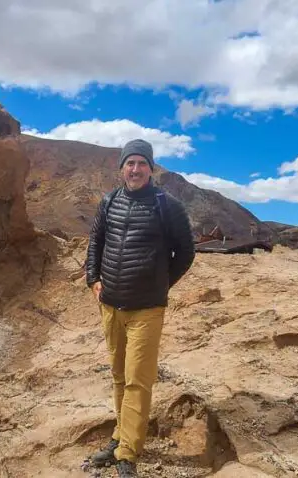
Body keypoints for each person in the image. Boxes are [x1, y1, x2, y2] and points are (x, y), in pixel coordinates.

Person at [83, 138, 196, 477]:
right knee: (119, 376)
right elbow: (95, 242)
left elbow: (186, 253)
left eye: (141, 163)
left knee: (138, 379)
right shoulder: (108, 202)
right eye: (129, 163)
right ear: (122, 168)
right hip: (112, 305)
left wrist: (161, 284)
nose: (135, 169)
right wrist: (93, 279)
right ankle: (120, 436)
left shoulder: (167, 205)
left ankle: (128, 452)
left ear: (151, 168)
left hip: (147, 308)